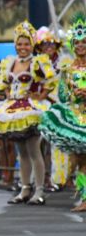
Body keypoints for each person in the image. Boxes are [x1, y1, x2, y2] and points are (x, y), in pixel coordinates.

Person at [0, 21, 55, 205]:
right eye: (20, 44)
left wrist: (41, 95)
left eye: (27, 44)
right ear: (15, 45)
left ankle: (39, 190)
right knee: (21, 151)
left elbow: (52, 80)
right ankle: (24, 188)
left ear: (32, 45)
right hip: (14, 107)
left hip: (30, 109)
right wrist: (9, 96)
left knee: (34, 150)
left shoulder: (38, 61)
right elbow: (3, 84)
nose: (23, 47)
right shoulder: (9, 62)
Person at [40, 13, 86, 211]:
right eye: (77, 43)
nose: (80, 47)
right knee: (79, 159)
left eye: (84, 43)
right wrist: (74, 94)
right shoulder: (68, 69)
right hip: (76, 117)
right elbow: (62, 95)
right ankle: (84, 197)